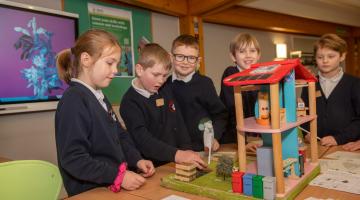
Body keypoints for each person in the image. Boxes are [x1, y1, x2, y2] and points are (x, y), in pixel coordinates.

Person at [55, 29, 155, 197]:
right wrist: (118, 176)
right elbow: (73, 158)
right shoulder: (74, 100)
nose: (116, 70)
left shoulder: (98, 96)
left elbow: (120, 136)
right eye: (110, 63)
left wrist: (136, 159)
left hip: (111, 186)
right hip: (91, 192)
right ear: (86, 59)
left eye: (116, 64)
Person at [120, 43, 206, 169]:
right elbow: (143, 140)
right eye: (155, 75)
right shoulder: (129, 103)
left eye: (165, 75)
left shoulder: (164, 88)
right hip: (151, 166)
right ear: (139, 70)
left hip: (174, 160)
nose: (161, 80)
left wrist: (187, 150)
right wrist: (178, 155)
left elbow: (178, 123)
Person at [166, 34, 228, 152]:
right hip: (176, 152)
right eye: (180, 56)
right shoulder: (164, 86)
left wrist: (214, 137)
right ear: (171, 57)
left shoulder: (205, 84)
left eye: (191, 58)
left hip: (202, 148)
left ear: (198, 60)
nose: (185, 62)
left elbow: (220, 114)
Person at [301, 33, 360, 147]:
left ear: (342, 56)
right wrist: (306, 133)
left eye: (331, 56)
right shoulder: (309, 84)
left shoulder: (355, 83)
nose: (325, 61)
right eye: (320, 57)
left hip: (346, 146)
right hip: (315, 146)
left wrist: (338, 138)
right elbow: (303, 114)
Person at [219, 33, 262, 152]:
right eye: (242, 51)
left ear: (258, 55)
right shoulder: (231, 73)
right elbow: (233, 110)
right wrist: (242, 142)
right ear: (233, 57)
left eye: (252, 51)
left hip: (254, 137)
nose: (248, 55)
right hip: (233, 138)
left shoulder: (261, 76)